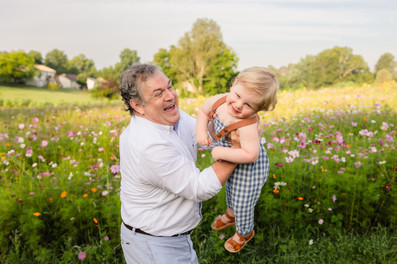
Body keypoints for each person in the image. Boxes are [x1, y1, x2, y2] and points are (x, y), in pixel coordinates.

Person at [118, 63, 239, 264]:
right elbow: (199, 187)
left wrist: (237, 118)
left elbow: (206, 136)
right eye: (158, 94)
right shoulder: (147, 144)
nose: (170, 96)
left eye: (170, 86)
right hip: (154, 245)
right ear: (137, 105)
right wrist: (239, 149)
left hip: (170, 239)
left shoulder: (171, 117)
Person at [196, 66, 278, 253]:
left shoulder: (247, 125)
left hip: (250, 168)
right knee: (231, 190)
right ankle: (231, 215)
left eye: (249, 105)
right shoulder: (219, 100)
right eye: (238, 95)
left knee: (243, 200)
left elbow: (251, 154)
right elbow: (203, 111)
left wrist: (220, 153)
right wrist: (201, 131)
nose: (239, 105)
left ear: (259, 109)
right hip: (232, 157)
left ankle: (245, 232)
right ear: (234, 84)